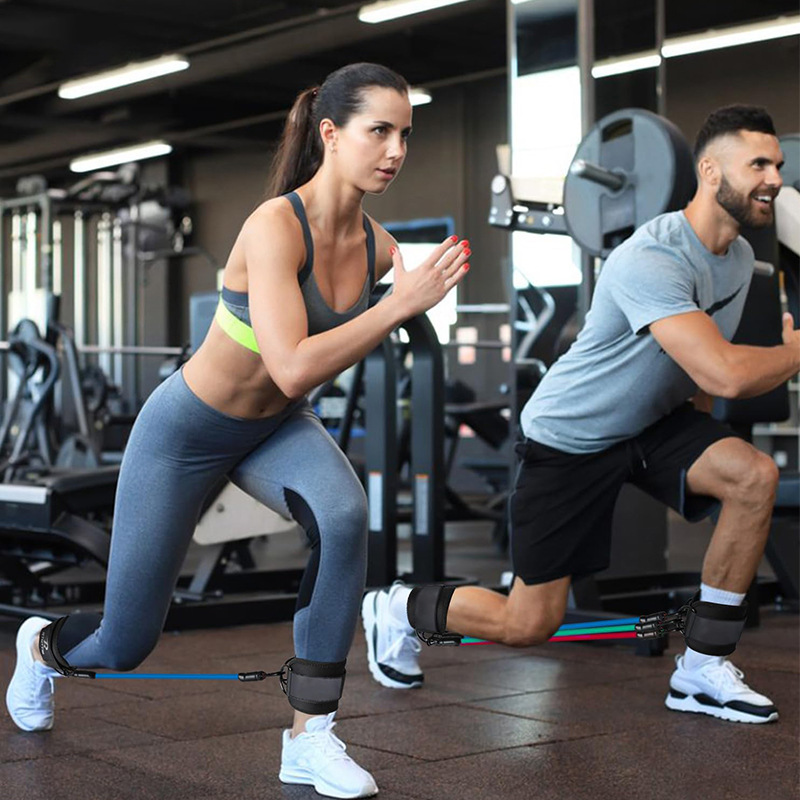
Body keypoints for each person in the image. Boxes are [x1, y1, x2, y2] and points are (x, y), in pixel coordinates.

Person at [4, 62, 469, 799]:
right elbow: (290, 366)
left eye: (405, 134)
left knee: (346, 515)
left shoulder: (380, 248)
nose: (395, 149)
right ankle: (43, 649)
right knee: (125, 644)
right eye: (378, 130)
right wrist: (397, 306)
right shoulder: (273, 227)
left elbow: (303, 382)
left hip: (277, 428)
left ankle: (308, 735)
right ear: (330, 133)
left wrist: (405, 306)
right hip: (185, 431)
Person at [363, 104, 798, 725]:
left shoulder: (734, 263)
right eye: (757, 163)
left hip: (652, 423)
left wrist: (703, 447)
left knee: (752, 476)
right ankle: (399, 609)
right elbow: (724, 372)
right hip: (572, 436)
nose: (774, 178)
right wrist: (794, 352)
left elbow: (699, 382)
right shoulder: (653, 256)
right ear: (710, 171)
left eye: (777, 164)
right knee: (528, 623)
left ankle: (703, 667)